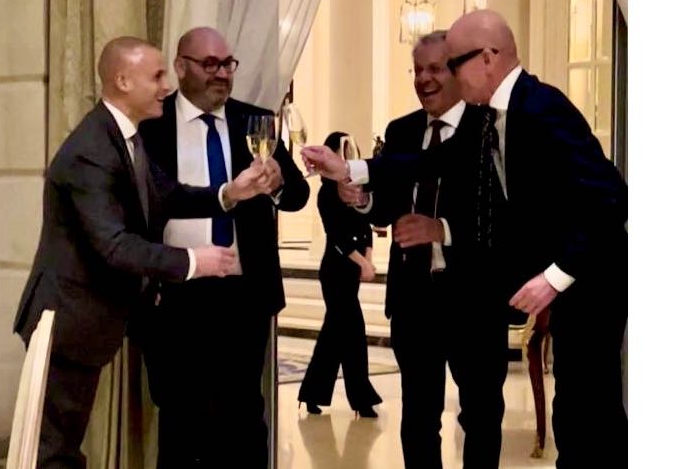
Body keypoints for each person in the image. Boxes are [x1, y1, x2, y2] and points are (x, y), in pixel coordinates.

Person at [12, 36, 272, 469]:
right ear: (123, 81)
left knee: (64, 449)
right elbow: (114, 245)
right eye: (157, 76)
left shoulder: (124, 136)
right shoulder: (92, 151)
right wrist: (194, 262)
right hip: (68, 322)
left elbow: (166, 195)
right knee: (56, 453)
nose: (166, 86)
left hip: (86, 323)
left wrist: (229, 193)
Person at [443, 9, 628, 469]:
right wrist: (354, 170)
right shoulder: (489, 117)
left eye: (454, 63)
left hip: (594, 280)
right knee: (577, 415)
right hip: (565, 283)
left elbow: (610, 198)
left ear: (488, 58)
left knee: (590, 415)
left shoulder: (542, 107)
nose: (450, 76)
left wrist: (555, 277)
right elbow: (432, 163)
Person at [136, 27, 310, 468]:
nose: (222, 74)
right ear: (181, 68)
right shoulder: (152, 125)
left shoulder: (256, 122)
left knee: (243, 417)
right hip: (175, 294)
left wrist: (277, 184)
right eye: (210, 64)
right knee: (180, 418)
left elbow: (297, 196)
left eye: (228, 64)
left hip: (242, 295)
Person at [348, 30, 509, 469]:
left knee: (480, 417)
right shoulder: (401, 130)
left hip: (475, 300)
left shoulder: (489, 128)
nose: (424, 79)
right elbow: (388, 208)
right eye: (417, 70)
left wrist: (443, 230)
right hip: (414, 300)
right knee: (418, 419)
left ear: (456, 72)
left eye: (435, 69)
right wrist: (362, 200)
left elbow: (503, 214)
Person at [297, 132, 383, 419]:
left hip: (352, 270)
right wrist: (362, 262)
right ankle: (362, 399)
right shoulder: (326, 194)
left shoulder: (354, 188)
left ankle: (312, 393)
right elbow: (337, 236)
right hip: (335, 271)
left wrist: (368, 259)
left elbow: (366, 227)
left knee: (334, 336)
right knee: (353, 334)